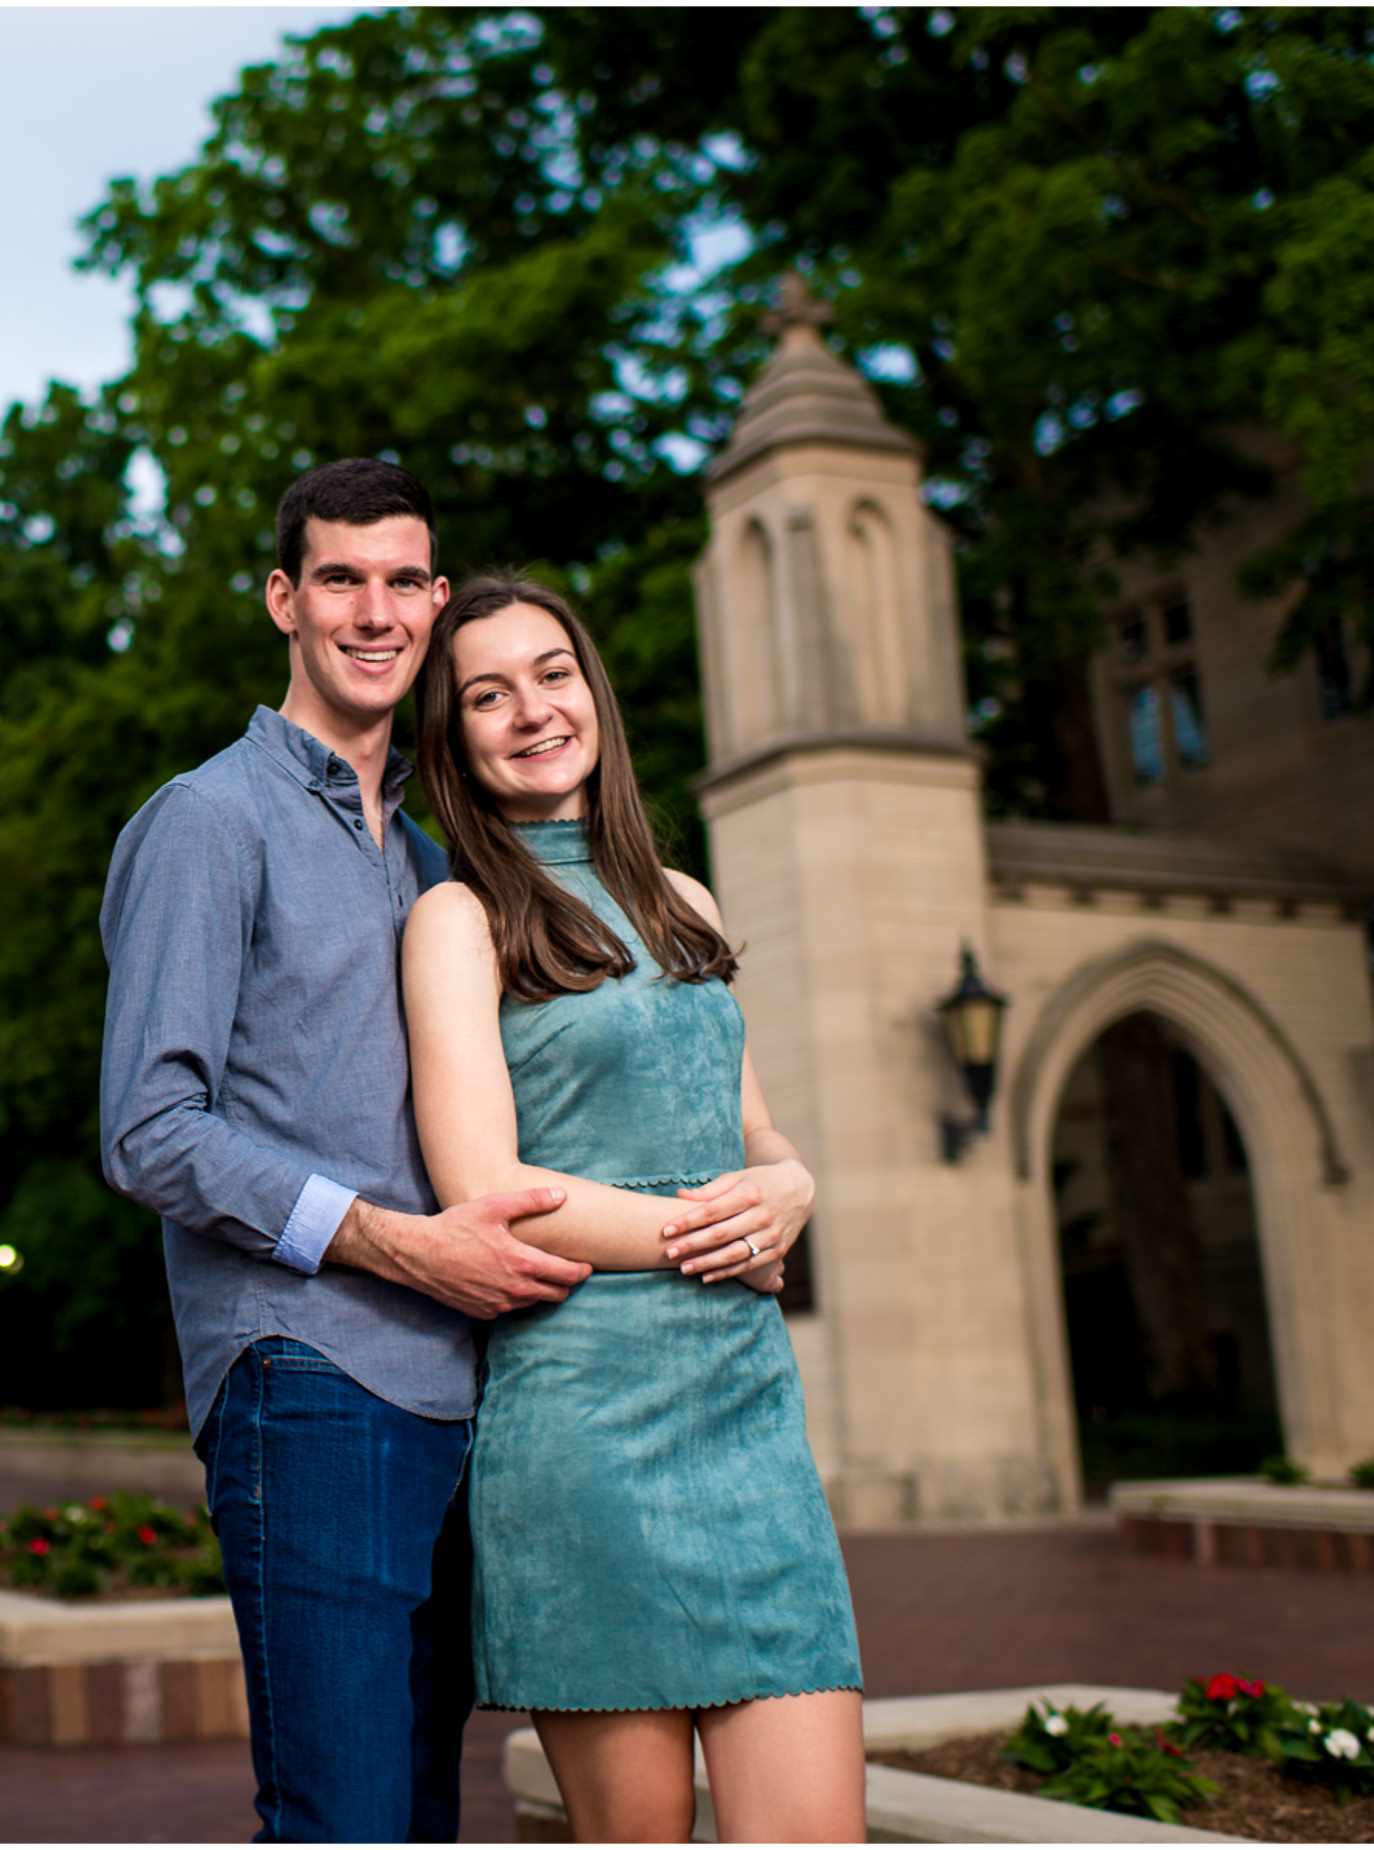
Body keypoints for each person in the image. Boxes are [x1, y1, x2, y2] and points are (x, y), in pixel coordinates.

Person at [100, 459, 799, 1840]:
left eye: (402, 579)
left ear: (431, 598)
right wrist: (388, 1237)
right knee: (346, 1815)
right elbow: (150, 1126)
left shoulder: (434, 863)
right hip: (308, 1370)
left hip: (473, 1385)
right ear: (284, 599)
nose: (375, 610)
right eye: (340, 579)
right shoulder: (209, 820)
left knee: (422, 1814)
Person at [400, 574, 859, 1841]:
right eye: (485, 694)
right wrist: (711, 1234)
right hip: (587, 1424)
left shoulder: (682, 895)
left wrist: (793, 1181)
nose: (529, 710)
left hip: (748, 1410)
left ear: (592, 690)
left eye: (551, 673)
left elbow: (752, 1124)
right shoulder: (458, 915)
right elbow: (486, 1190)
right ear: (451, 736)